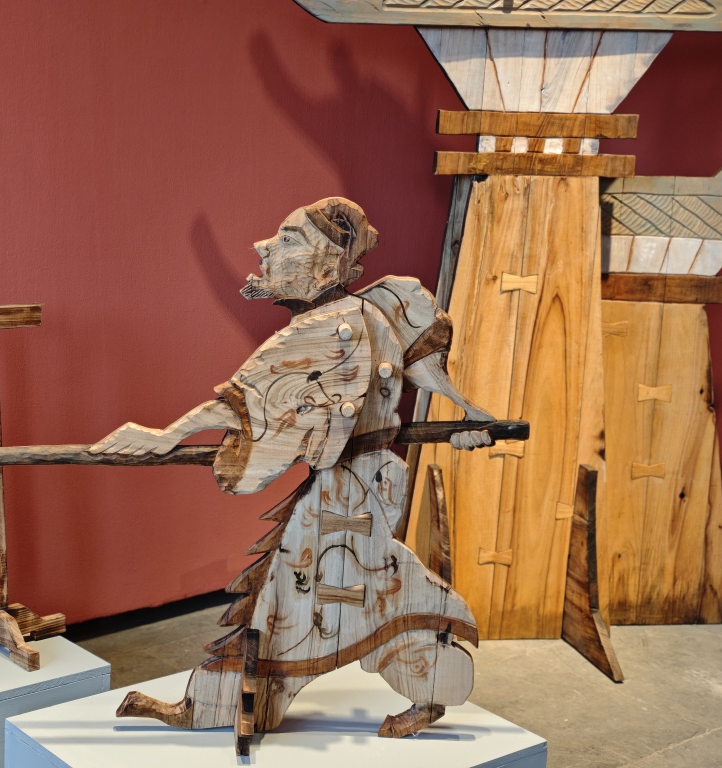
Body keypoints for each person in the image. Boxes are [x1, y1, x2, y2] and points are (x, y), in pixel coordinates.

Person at [91, 197, 494, 749]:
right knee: (315, 590)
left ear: (328, 265)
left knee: (327, 590)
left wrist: (166, 435)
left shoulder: (330, 325)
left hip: (352, 490)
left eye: (287, 240)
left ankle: (234, 702)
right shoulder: (369, 312)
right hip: (358, 483)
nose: (264, 249)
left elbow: (246, 405)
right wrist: (471, 419)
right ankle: (231, 702)